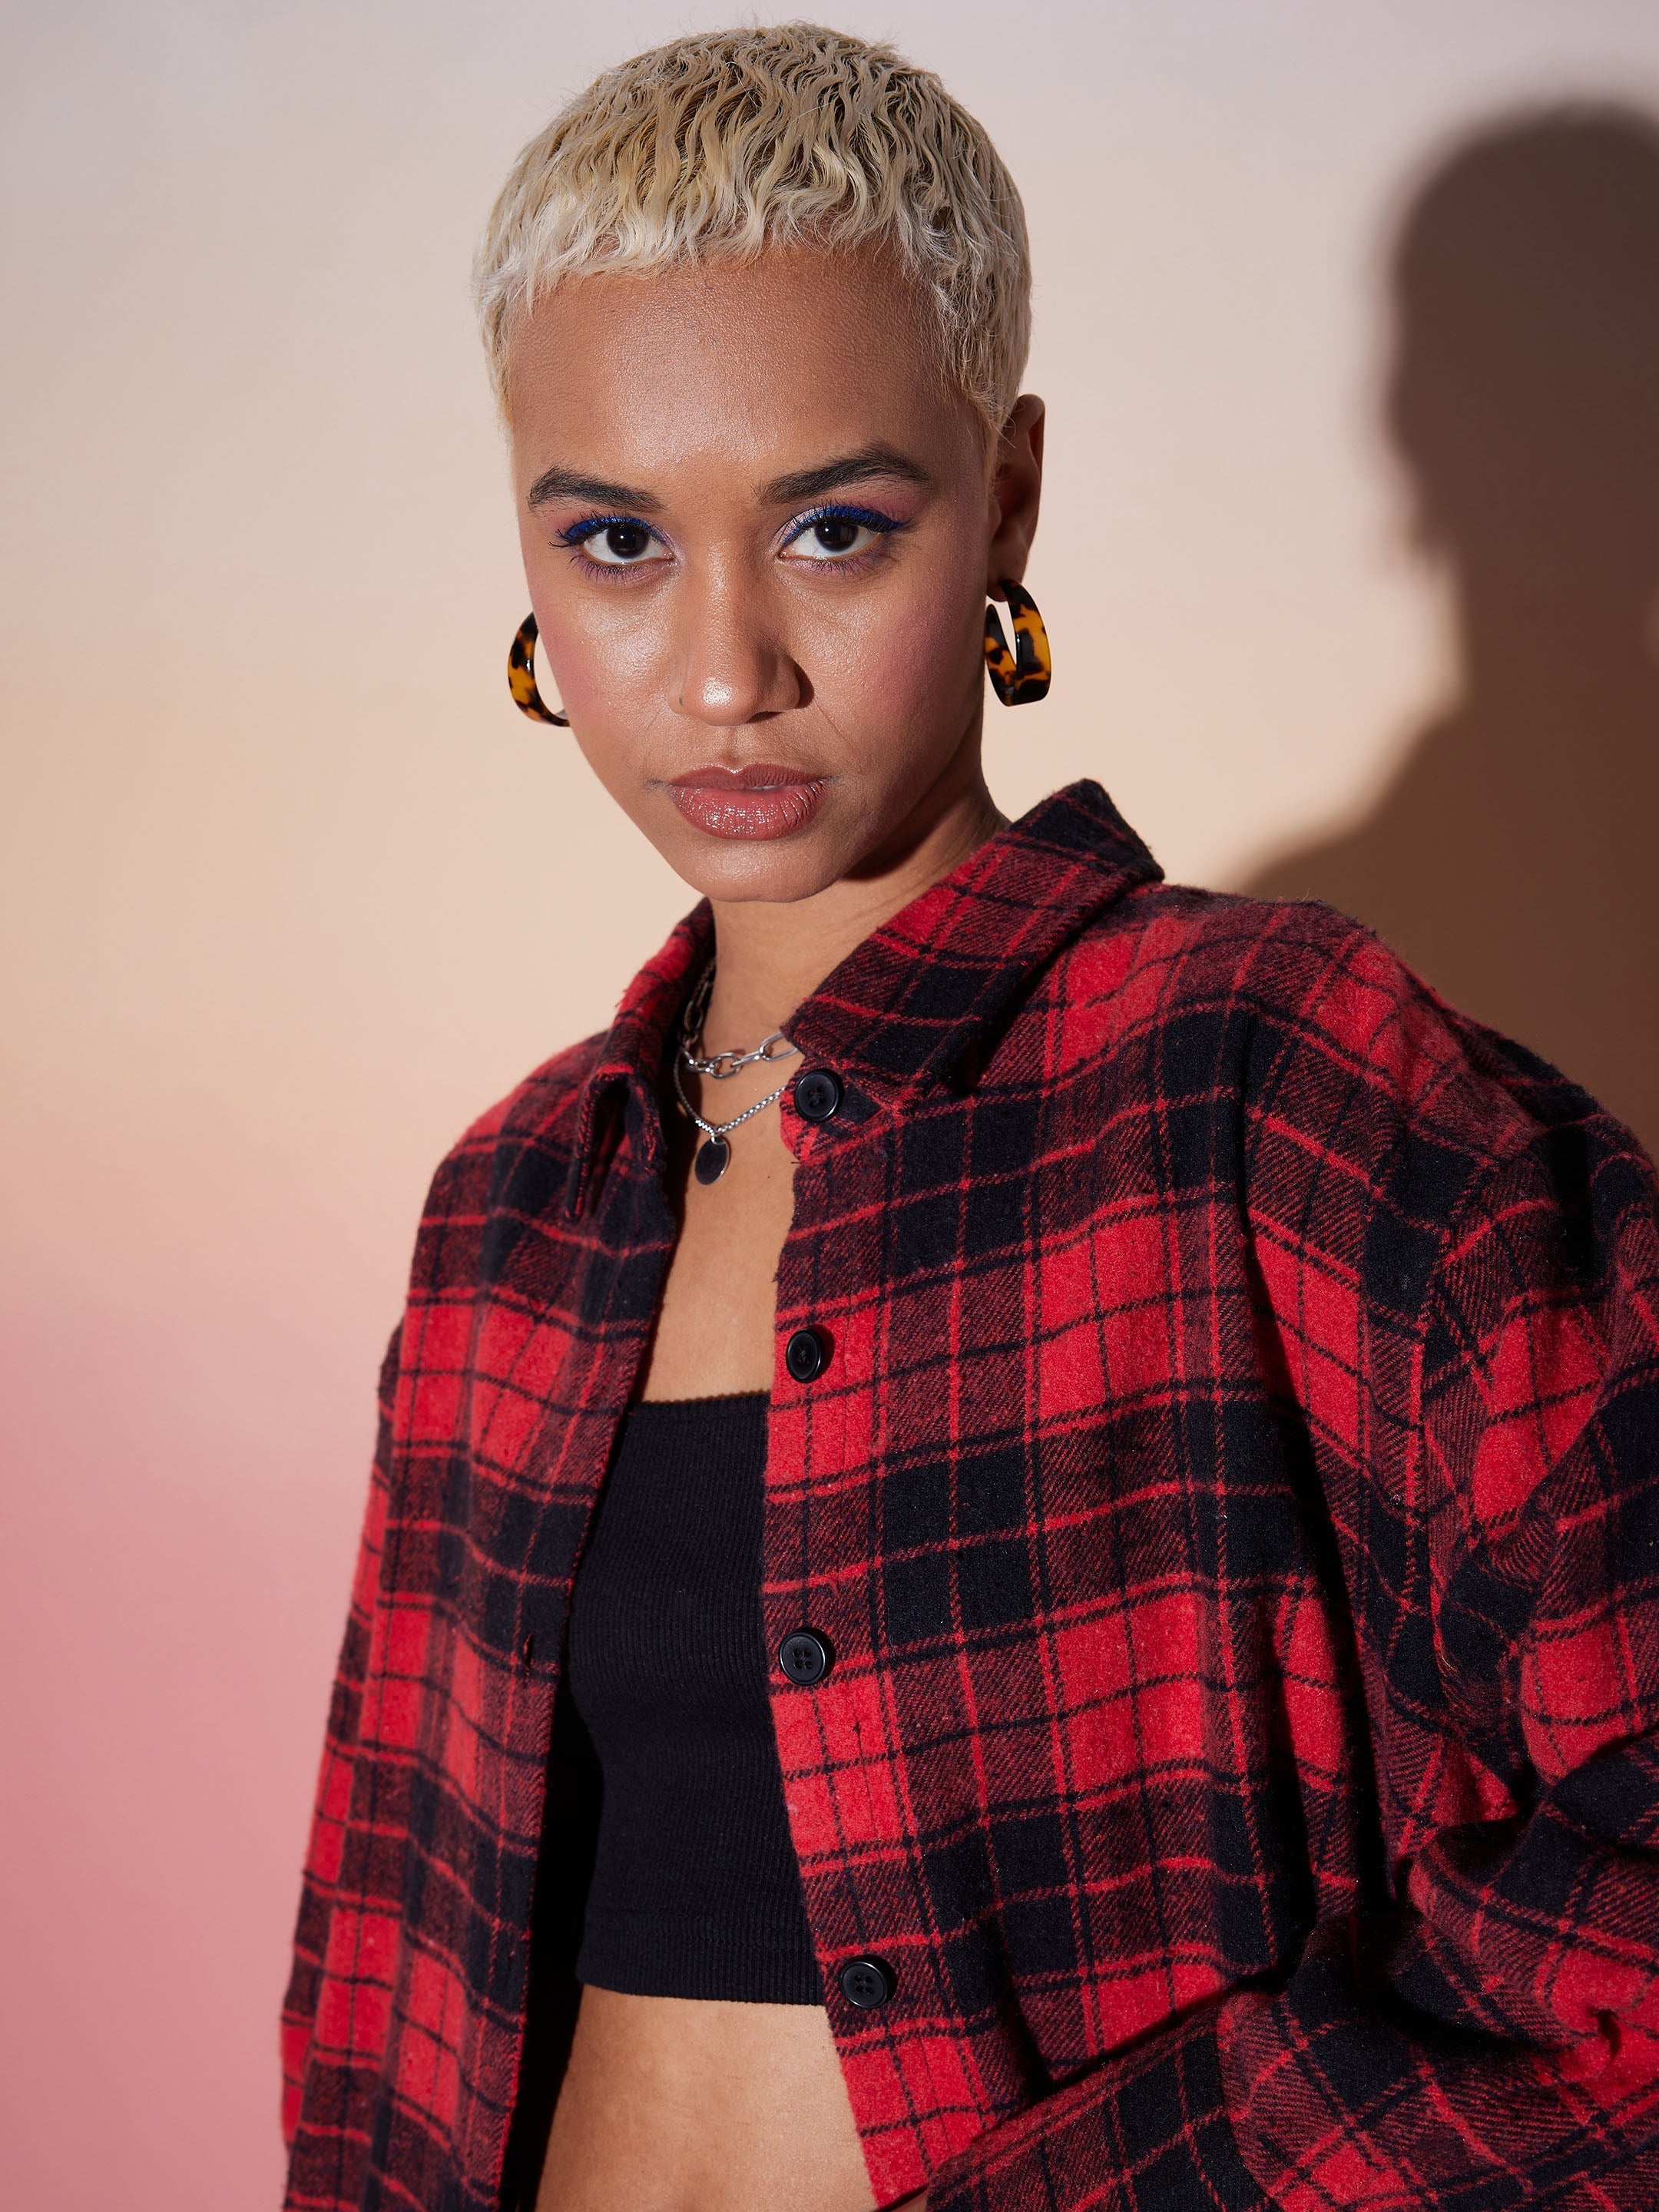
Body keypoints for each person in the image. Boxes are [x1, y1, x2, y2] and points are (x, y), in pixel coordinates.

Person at [280, 25, 1659, 2212]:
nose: (724, 672)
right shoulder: (514, 1217)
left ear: (1006, 494)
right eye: (617, 541)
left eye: (834, 530)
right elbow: (382, 2008)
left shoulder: (1270, 1080)